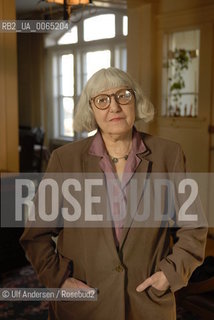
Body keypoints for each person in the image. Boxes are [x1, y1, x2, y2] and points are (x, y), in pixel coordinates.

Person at [20, 67, 207, 320]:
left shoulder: (169, 155)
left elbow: (194, 227)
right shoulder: (64, 160)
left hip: (147, 304)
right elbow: (36, 235)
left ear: (135, 101)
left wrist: (170, 274)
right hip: (84, 306)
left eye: (123, 95)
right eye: (102, 99)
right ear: (91, 110)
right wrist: (59, 282)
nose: (114, 107)